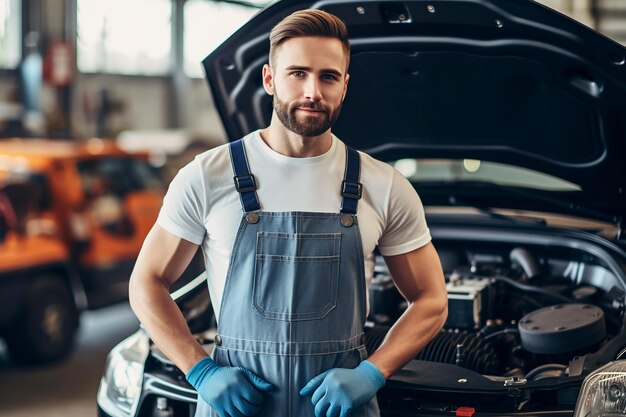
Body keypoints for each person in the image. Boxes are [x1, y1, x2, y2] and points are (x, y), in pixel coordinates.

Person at [129, 9, 447, 417]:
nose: (313, 91)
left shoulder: (383, 185)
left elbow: (432, 300)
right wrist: (200, 370)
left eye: (328, 76)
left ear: (345, 86)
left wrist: (372, 373)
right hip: (238, 405)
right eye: (297, 73)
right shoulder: (208, 177)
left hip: (337, 408)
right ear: (269, 79)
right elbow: (146, 283)